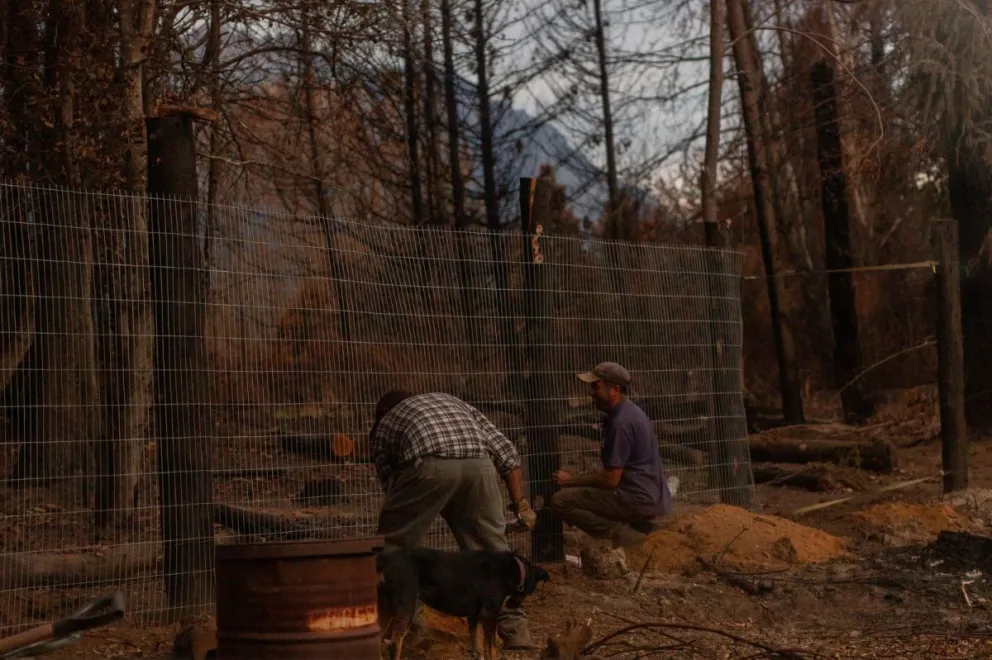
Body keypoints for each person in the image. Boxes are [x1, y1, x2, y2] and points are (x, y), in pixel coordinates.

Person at [370, 389, 538, 650]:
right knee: (494, 556)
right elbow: (507, 454)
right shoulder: (454, 401)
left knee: (394, 549)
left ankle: (408, 630)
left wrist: (421, 505)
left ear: (382, 415)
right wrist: (520, 504)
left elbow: (391, 484)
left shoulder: (385, 424)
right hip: (479, 467)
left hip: (429, 466)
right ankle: (515, 632)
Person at [551, 362, 673, 548]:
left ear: (615, 390)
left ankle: (623, 535)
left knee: (561, 501)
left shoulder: (621, 423)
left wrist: (571, 481)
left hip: (637, 497)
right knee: (588, 498)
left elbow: (610, 480)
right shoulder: (627, 413)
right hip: (648, 495)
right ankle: (639, 530)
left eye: (596, 387)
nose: (591, 392)